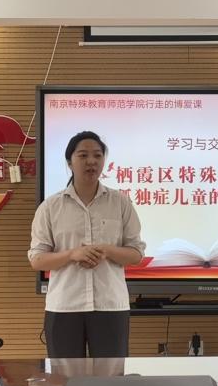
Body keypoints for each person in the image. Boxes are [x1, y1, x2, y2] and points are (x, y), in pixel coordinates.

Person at [28, 131, 145, 358]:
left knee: (111, 376)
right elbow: (37, 260)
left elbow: (136, 253)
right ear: (69, 162)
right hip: (64, 305)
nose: (91, 161)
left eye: (97, 155)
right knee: (65, 376)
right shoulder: (50, 207)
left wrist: (107, 250)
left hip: (110, 305)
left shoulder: (120, 202)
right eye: (83, 155)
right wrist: (72, 254)